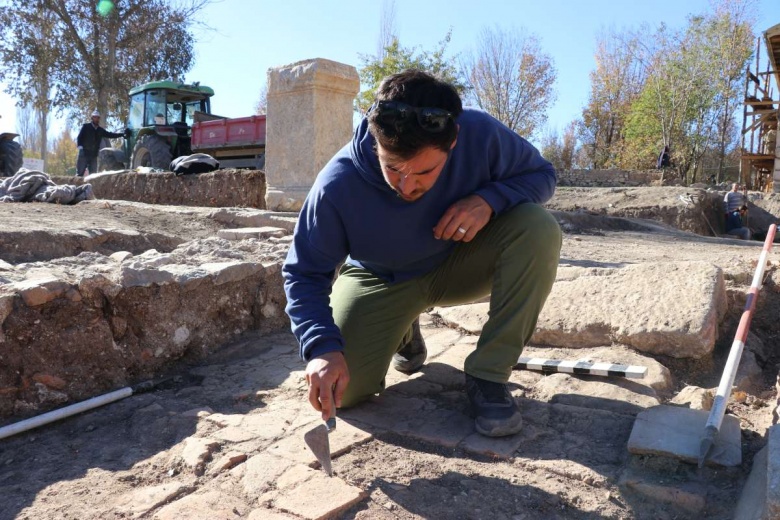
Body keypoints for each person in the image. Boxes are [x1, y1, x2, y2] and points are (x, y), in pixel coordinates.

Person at [282, 69, 561, 438]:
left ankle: (488, 374)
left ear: (454, 140)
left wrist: (488, 200)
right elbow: (303, 273)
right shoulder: (337, 183)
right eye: (392, 168)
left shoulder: (479, 133)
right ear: (375, 142)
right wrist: (320, 348)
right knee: (342, 391)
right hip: (380, 278)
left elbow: (543, 175)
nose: (407, 186)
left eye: (426, 171)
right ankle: (403, 329)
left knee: (538, 227)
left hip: (458, 261)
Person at [76, 109, 126, 176]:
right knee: (80, 173)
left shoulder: (100, 130)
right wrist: (80, 147)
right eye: (95, 117)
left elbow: (110, 134)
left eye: (98, 118)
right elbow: (79, 137)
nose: (96, 119)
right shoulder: (86, 127)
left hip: (93, 155)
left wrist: (122, 134)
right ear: (92, 118)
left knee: (93, 175)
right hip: (84, 153)